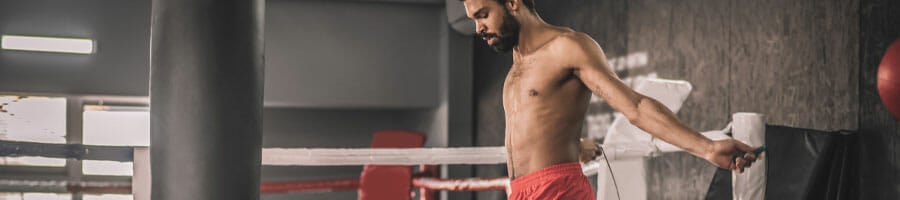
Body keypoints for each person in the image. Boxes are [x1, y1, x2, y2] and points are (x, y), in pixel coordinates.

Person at [458, 0, 761, 199]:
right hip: (521, 192)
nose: (478, 29)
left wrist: (707, 147)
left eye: (483, 15)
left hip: (558, 190)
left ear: (512, 2)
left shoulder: (567, 47)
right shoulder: (516, 67)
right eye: (473, 19)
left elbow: (636, 106)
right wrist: (574, 144)